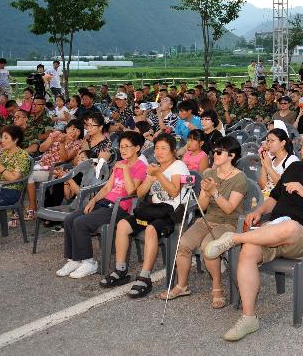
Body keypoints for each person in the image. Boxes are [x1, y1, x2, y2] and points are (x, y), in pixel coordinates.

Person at [203, 127, 303, 341]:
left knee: (291, 227)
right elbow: (273, 198)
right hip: (273, 230)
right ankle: (249, 318)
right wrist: (258, 211)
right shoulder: (294, 168)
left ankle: (234, 239)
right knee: (249, 251)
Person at [159, 136, 248, 308]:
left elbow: (230, 209)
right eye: (214, 151)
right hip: (208, 219)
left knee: (209, 249)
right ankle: (182, 285)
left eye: (219, 152)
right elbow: (202, 206)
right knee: (183, 243)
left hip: (229, 223)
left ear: (232, 155)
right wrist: (206, 194)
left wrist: (214, 192)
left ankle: (217, 287)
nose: (215, 154)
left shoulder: (240, 178)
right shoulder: (208, 173)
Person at [57, 131, 148, 280]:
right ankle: (74, 259)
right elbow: (107, 188)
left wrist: (125, 169)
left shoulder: (140, 167)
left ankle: (89, 262)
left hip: (120, 208)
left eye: (127, 146)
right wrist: (94, 200)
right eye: (121, 146)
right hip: (105, 203)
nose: (123, 150)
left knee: (81, 223)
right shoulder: (119, 164)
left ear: (137, 148)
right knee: (70, 219)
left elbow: (132, 191)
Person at [115, 133, 189, 298]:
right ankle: (120, 270)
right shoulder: (155, 166)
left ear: (172, 150)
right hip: (153, 209)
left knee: (150, 230)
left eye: (164, 148)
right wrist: (149, 179)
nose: (159, 152)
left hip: (171, 212)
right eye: (156, 148)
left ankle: (145, 277)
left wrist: (158, 175)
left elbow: (174, 191)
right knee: (122, 225)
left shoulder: (179, 166)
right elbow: (140, 194)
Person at [258, 127, 298, 196]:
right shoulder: (271, 160)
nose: (268, 144)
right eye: (267, 141)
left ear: (283, 143)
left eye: (272, 141)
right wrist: (264, 166)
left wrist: (268, 167)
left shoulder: (292, 160)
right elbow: (263, 186)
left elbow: (283, 186)